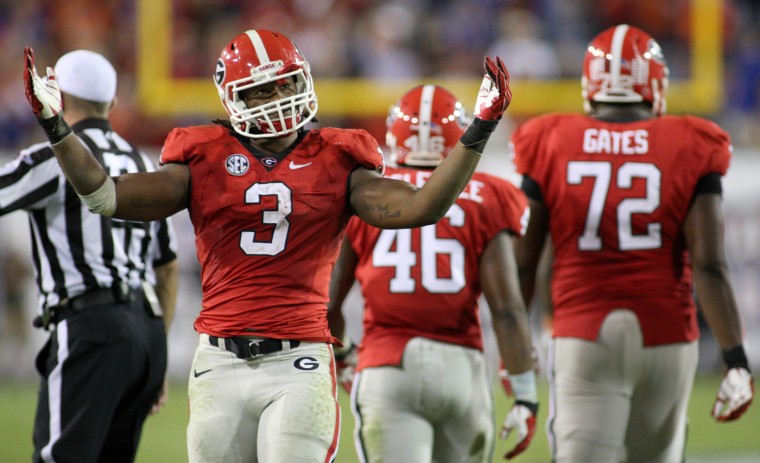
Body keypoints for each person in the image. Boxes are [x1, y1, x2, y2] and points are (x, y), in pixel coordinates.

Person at [23, 29, 513, 463]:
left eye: (288, 82)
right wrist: (56, 126)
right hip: (219, 361)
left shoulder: (339, 157)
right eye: (263, 88)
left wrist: (481, 126)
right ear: (233, 99)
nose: (281, 95)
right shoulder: (203, 155)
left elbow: (422, 207)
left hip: (298, 362)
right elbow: (106, 195)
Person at [510, 24, 755, 463]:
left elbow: (525, 261)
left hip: (584, 331)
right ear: (655, 82)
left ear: (590, 83)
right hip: (666, 335)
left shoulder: (550, 138)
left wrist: (513, 349)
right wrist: (735, 357)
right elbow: (710, 265)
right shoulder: (692, 141)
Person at [326, 84, 538, 463]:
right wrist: (525, 392)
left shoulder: (368, 192)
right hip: (461, 367)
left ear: (394, 133)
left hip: (386, 366)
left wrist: (341, 358)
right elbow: (506, 308)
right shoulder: (487, 193)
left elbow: (328, 300)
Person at [2, 49, 179, 463]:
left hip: (91, 325)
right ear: (113, 104)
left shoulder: (52, 157)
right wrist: (159, 352)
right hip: (147, 335)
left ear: (56, 97)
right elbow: (167, 268)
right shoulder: (142, 161)